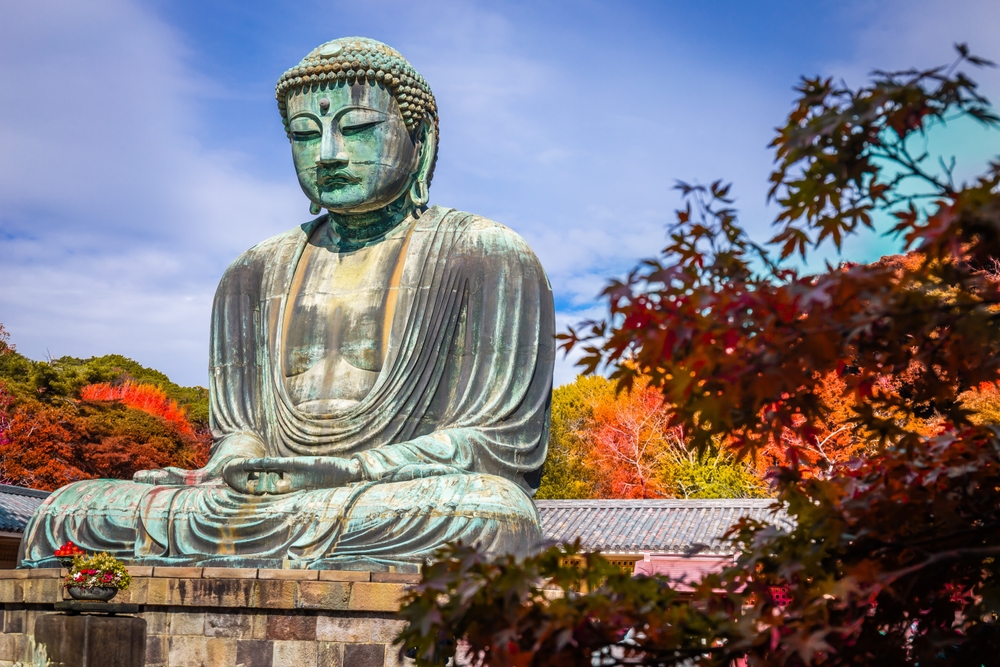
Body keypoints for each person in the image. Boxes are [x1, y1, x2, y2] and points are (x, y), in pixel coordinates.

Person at [19, 37, 554, 572]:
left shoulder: (486, 254)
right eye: (304, 134)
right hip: (266, 502)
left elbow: (499, 445)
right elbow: (239, 431)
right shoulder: (252, 272)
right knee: (68, 512)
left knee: (493, 515)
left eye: (357, 127)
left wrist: (351, 470)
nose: (327, 153)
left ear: (422, 140)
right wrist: (237, 463)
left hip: (391, 494)